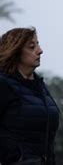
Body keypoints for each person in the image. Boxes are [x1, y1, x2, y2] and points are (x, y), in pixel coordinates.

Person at [0, 27, 59, 165]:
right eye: (32, 47)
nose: (40, 50)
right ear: (15, 52)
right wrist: (14, 157)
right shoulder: (3, 85)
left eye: (38, 44)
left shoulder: (40, 87)